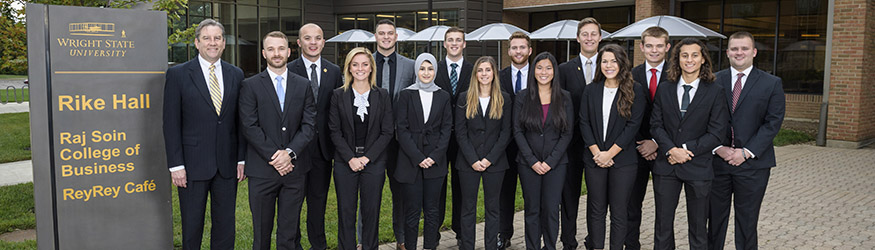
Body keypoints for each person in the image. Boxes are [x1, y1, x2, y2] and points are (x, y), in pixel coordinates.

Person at [163, 18, 245, 250]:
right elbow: (170, 123)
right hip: (191, 165)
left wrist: (241, 158)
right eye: (207, 38)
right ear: (197, 43)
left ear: (223, 43)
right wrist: (175, 165)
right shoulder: (178, 74)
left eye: (217, 38)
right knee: (191, 225)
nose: (212, 43)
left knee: (225, 225)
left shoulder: (236, 74)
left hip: (227, 164)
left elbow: (240, 121)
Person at [238, 31, 316, 250]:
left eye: (281, 48)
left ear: (289, 51)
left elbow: (309, 125)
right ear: (264, 53)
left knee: (289, 233)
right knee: (261, 234)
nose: (276, 53)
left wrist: (289, 153)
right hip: (262, 171)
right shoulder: (250, 85)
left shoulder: (303, 85)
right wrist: (276, 156)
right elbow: (249, 126)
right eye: (271, 49)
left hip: (295, 171)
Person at [708, 31, 785, 250]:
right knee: (714, 221)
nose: (739, 53)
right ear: (727, 52)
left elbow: (773, 123)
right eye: (734, 49)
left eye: (744, 48)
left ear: (754, 52)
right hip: (717, 163)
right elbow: (703, 119)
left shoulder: (771, 83)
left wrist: (745, 152)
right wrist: (718, 147)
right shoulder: (713, 80)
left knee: (747, 222)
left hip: (753, 165)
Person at [650, 38, 728, 250]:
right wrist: (671, 150)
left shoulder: (715, 91)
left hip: (699, 166)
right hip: (666, 166)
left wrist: (685, 150)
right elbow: (656, 125)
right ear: (677, 59)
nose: (689, 59)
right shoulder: (665, 89)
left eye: (695, 55)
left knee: (698, 227)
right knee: (662, 225)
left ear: (703, 59)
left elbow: (717, 133)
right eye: (684, 55)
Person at [578, 44, 647, 250]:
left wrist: (610, 153)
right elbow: (584, 122)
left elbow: (633, 125)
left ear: (622, 63)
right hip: (594, 159)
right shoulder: (591, 89)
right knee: (596, 210)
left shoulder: (635, 89)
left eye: (613, 61)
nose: (609, 65)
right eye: (605, 61)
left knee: (619, 211)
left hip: (623, 161)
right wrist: (597, 153)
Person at [329, 47, 396, 250]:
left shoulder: (382, 95)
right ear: (349, 68)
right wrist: (351, 158)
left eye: (365, 64)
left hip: (373, 162)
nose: (360, 68)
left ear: (371, 68)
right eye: (355, 64)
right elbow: (334, 131)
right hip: (345, 162)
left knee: (371, 212)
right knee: (346, 212)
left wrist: (366, 158)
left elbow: (387, 132)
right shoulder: (338, 95)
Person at [288, 23, 343, 250]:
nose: (313, 42)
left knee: (318, 201)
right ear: (299, 42)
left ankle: (318, 245)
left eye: (317, 38)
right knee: (293, 203)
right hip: (295, 149)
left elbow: (338, 110)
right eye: (307, 38)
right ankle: (294, 244)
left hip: (323, 149)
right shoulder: (289, 69)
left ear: (323, 42)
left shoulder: (335, 71)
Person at [514, 52, 574, 250]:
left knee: (550, 209)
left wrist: (550, 161)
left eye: (548, 68)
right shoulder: (523, 97)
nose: (543, 72)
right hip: (528, 163)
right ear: (533, 71)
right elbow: (518, 131)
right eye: (539, 68)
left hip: (555, 165)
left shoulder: (564, 98)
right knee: (532, 209)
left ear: (554, 71)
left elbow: (567, 133)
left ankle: (550, 246)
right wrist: (532, 160)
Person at [394, 53, 453, 250]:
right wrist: (419, 157)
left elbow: (447, 130)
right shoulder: (406, 94)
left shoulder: (443, 96)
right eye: (422, 68)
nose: (426, 73)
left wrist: (433, 157)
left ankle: (430, 246)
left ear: (435, 71)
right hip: (411, 161)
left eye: (430, 69)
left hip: (435, 163)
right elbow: (401, 130)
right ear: (416, 70)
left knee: (432, 210)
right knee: (411, 211)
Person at [454, 56, 512, 250]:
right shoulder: (464, 98)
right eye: (480, 70)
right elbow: (460, 132)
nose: (484, 74)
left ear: (494, 73)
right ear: (475, 74)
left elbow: (506, 133)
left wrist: (489, 159)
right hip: (467, 162)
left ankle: (490, 246)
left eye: (488, 70)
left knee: (493, 208)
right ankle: (467, 246)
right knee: (468, 208)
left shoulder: (503, 98)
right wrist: (473, 159)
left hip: (495, 162)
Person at [558, 17, 602, 249]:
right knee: (569, 196)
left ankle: (594, 240)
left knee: (597, 198)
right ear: (578, 38)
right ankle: (568, 241)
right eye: (585, 34)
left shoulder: (609, 66)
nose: (589, 38)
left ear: (600, 37)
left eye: (593, 33)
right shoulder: (564, 69)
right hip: (571, 144)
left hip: (601, 144)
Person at [626, 26, 671, 250]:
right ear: (642, 47)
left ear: (667, 47)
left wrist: (657, 142)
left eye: (659, 46)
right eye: (650, 46)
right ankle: (631, 244)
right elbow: (625, 114)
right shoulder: (631, 75)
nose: (654, 50)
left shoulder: (677, 74)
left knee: (665, 207)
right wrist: (643, 142)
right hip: (637, 149)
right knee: (632, 204)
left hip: (666, 150)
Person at [373, 19, 416, 250]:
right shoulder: (364, 63)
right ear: (376, 36)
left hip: (401, 142)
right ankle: (365, 240)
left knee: (400, 192)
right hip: (372, 141)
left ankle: (401, 239)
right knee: (370, 194)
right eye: (382, 33)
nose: (386, 37)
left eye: (390, 33)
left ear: (396, 37)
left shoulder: (410, 66)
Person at [433, 27, 474, 242]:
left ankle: (461, 232)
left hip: (464, 139)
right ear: (445, 44)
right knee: (437, 186)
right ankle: (434, 232)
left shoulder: (473, 69)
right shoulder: (435, 69)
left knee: (462, 187)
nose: (455, 43)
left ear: (464, 44)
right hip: (438, 139)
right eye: (451, 40)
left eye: (459, 40)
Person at [497, 31, 532, 249]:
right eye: (514, 48)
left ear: (529, 50)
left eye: (522, 47)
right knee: (504, 193)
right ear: (508, 51)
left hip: (532, 146)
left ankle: (533, 235)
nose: (518, 51)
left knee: (532, 195)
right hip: (505, 147)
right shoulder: (498, 77)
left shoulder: (540, 75)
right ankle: (504, 234)